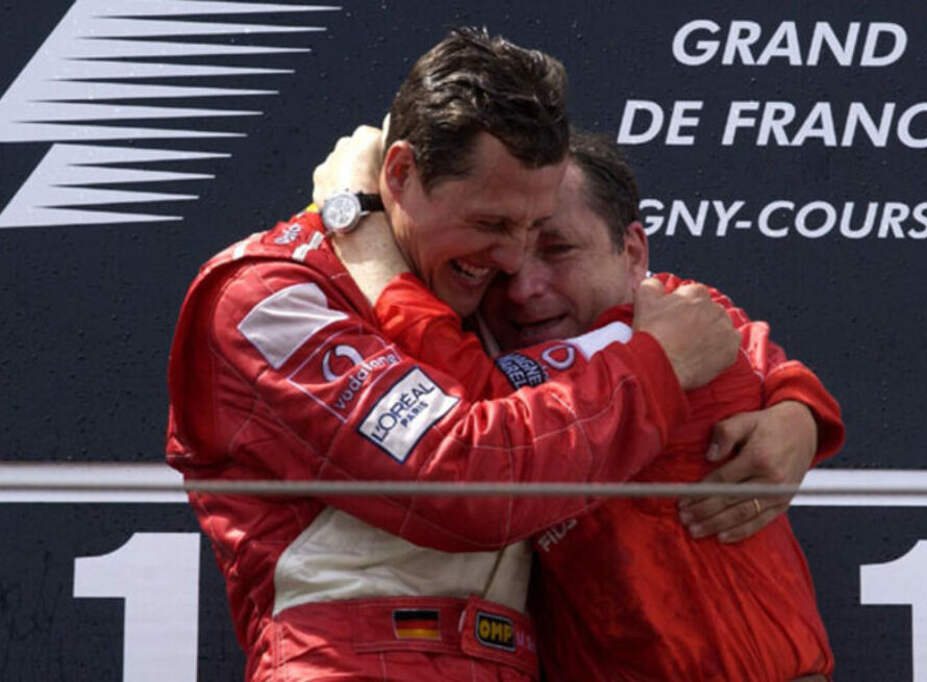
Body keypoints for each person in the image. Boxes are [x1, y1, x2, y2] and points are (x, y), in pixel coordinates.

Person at [165, 28, 741, 682]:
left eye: (536, 228)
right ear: (401, 174)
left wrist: (789, 408)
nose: (514, 259)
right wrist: (658, 369)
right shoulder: (269, 297)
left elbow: (676, 321)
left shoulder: (489, 295)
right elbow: (467, 478)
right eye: (491, 223)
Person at [320, 129, 843, 680]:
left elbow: (474, 409)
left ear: (632, 252)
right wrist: (800, 408)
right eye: (500, 264)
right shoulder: (662, 327)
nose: (523, 288)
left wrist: (366, 234)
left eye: (557, 250)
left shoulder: (672, 323)